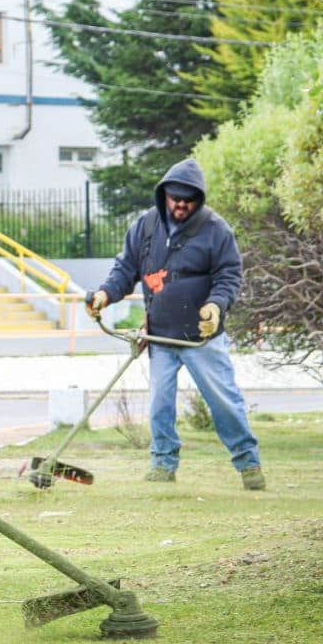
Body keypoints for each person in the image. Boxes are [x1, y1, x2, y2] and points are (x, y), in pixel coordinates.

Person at [86, 158, 264, 491]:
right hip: (160, 335)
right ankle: (163, 463)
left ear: (198, 199)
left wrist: (215, 305)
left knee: (223, 400)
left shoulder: (216, 230)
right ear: (164, 195)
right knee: (160, 403)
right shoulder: (145, 227)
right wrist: (105, 295)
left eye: (188, 200)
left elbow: (229, 275)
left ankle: (248, 463)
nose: (181, 205)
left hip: (202, 337)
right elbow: (126, 270)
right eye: (175, 199)